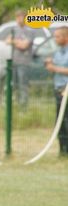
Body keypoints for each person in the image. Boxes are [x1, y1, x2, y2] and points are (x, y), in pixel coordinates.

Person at [45, 26, 68, 157]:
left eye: (58, 36)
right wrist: (49, 62)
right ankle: (63, 150)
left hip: (67, 89)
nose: (55, 39)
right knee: (59, 121)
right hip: (58, 89)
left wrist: (54, 68)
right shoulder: (58, 52)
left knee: (67, 120)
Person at [6, 10, 36, 109]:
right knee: (14, 85)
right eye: (18, 17)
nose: (20, 19)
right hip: (14, 60)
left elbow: (24, 45)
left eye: (22, 17)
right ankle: (17, 104)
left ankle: (23, 106)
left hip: (24, 61)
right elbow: (7, 41)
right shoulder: (14, 29)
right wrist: (17, 42)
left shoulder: (30, 30)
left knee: (23, 84)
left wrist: (14, 42)